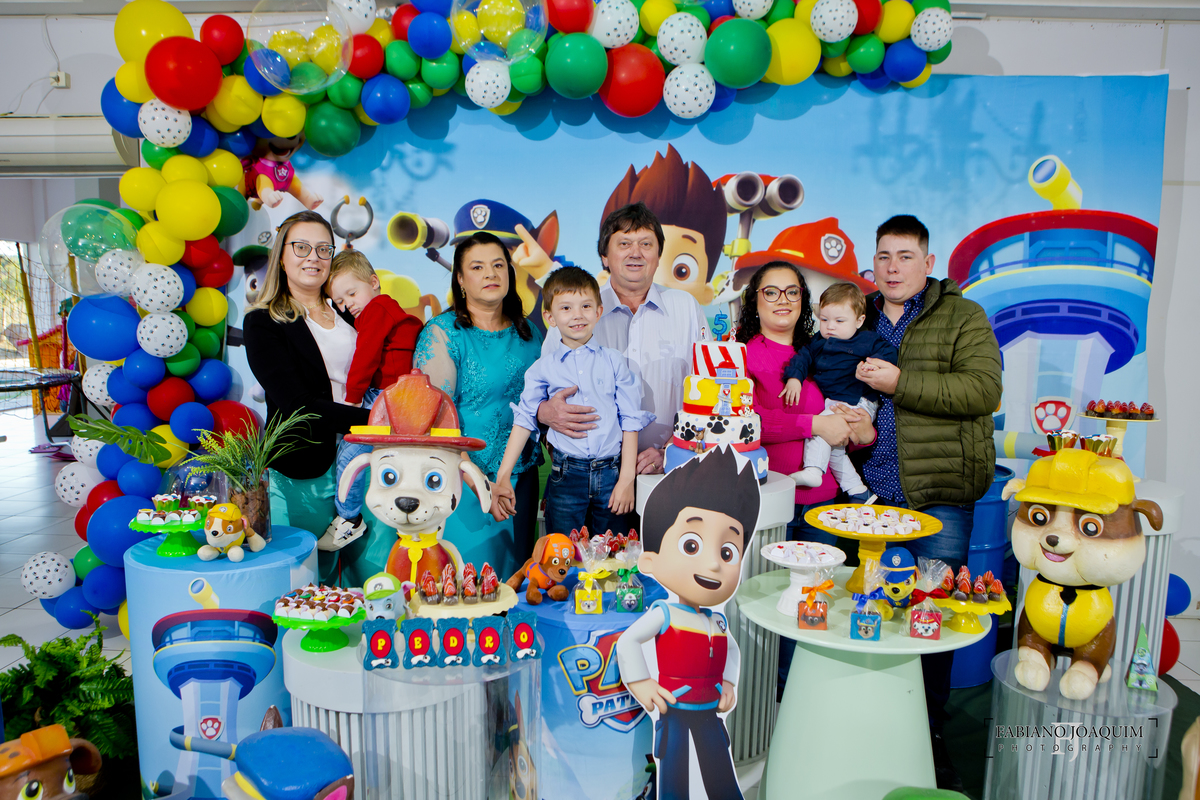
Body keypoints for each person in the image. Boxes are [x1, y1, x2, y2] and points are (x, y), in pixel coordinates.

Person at [856, 214, 1003, 790]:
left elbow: (983, 390)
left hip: (938, 494)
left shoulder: (963, 316)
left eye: (905, 256)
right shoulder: (859, 313)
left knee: (929, 615)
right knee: (865, 608)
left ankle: (927, 736)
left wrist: (901, 383)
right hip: (869, 495)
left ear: (928, 263)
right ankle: (868, 725)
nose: (892, 268)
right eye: (884, 256)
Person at [616, 447, 761, 800]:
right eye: (692, 545)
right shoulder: (664, 614)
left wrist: (729, 683)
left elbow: (732, 654)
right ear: (650, 561)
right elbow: (628, 641)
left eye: (727, 552)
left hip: (710, 710)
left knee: (720, 775)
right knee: (674, 779)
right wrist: (642, 683)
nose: (714, 564)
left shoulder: (718, 622)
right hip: (675, 710)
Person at [243, 210, 375, 584]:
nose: (313, 257)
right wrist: (377, 421)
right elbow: (296, 403)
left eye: (323, 249)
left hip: (365, 463)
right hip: (303, 470)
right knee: (304, 583)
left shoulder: (351, 312)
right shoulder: (262, 322)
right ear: (282, 256)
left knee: (364, 583)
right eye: (301, 247)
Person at [539, 202, 705, 475]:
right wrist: (545, 412)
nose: (635, 253)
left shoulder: (686, 307)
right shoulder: (573, 310)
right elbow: (542, 394)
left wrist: (672, 450)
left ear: (659, 255)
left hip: (671, 471)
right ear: (604, 256)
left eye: (646, 244)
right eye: (624, 243)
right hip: (589, 474)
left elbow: (709, 393)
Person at [414, 232, 544, 578]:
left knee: (518, 585)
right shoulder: (442, 334)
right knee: (469, 586)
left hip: (520, 482)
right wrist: (480, 485)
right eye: (477, 267)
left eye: (498, 265)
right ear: (460, 279)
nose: (490, 274)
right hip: (463, 483)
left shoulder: (530, 334)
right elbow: (435, 419)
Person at [492, 266, 651, 538]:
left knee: (613, 553)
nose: (577, 315)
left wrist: (626, 479)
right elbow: (524, 419)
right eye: (566, 308)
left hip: (611, 474)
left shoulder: (614, 362)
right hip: (566, 476)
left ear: (598, 312)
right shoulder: (543, 369)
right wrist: (504, 474)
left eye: (586, 306)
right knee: (563, 552)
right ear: (550, 317)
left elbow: (630, 420)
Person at [735, 262, 876, 545]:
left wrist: (864, 434)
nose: (783, 300)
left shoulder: (825, 350)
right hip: (767, 495)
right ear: (754, 300)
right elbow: (742, 424)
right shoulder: (739, 354)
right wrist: (814, 425)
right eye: (771, 292)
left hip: (824, 504)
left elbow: (843, 421)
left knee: (821, 575)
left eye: (792, 292)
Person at [324, 249, 424, 548]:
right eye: (339, 302)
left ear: (374, 282)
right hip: (397, 397)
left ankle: (349, 518)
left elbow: (365, 357)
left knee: (349, 454)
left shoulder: (378, 308)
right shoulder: (385, 310)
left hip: (386, 398)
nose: (348, 305)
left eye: (352, 294)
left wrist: (352, 400)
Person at [782, 282, 897, 502]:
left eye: (839, 321)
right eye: (824, 320)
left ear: (859, 321)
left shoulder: (867, 340)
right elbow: (803, 357)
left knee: (824, 426)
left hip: (858, 400)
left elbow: (889, 353)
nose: (830, 327)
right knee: (834, 444)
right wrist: (795, 378)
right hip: (834, 401)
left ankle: (814, 469)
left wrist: (873, 365)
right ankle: (857, 490)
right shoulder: (818, 340)